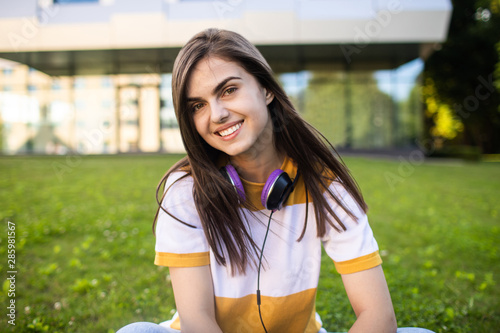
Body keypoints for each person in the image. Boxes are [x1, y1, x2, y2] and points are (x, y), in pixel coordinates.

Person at [117, 28, 434, 333]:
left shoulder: (325, 184)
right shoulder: (185, 190)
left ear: (266, 89)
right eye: (197, 105)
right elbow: (197, 321)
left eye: (228, 90)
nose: (216, 114)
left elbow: (377, 314)